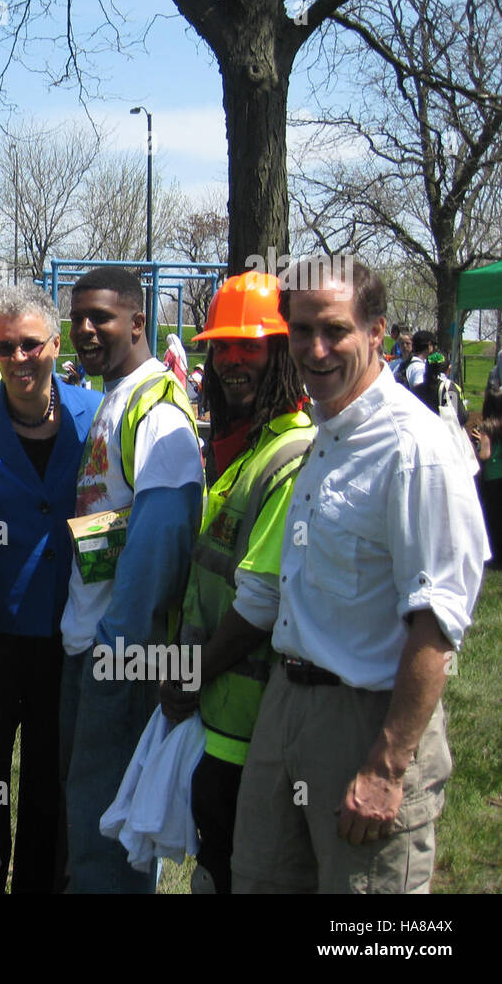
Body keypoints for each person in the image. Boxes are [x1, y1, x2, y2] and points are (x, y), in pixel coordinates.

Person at [231, 258, 486, 893]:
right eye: (301, 330)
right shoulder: (325, 432)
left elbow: (439, 618)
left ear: (376, 332)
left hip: (367, 723)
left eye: (336, 330)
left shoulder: (414, 449)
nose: (316, 349)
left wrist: (389, 762)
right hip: (286, 707)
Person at [0, 284, 101, 893]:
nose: (20, 358)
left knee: (51, 779)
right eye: (6, 347)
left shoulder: (98, 414)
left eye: (32, 344)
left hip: (68, 634)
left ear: (57, 345)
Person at [157, 272, 315, 894]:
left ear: (282, 353)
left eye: (248, 347)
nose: (229, 362)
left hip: (251, 724)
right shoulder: (246, 452)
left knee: (238, 871)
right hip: (220, 720)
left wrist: (189, 678)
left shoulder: (291, 456)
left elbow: (259, 604)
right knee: (215, 867)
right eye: (221, 348)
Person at [58, 266, 203, 893]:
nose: (86, 330)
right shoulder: (114, 396)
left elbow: (165, 530)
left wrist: (120, 645)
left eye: (102, 318)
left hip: (120, 654)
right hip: (90, 640)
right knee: (88, 813)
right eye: (78, 318)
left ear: (139, 323)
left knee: (104, 833)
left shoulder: (158, 408)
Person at [468, 387, 502, 567]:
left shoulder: (486, 428)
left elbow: (485, 455)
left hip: (492, 479)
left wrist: (479, 443)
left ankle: (495, 556)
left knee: (493, 519)